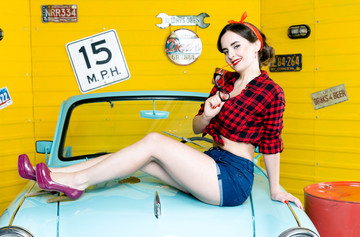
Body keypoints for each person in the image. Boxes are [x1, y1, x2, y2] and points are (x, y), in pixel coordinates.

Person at [18, 11, 303, 209]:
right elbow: (197, 128)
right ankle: (54, 173)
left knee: (154, 141)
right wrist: (208, 115)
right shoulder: (226, 81)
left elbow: (272, 145)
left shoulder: (271, 91)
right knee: (140, 159)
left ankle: (76, 182)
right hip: (211, 162)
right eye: (225, 50)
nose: (230, 55)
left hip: (232, 178)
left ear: (256, 45)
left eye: (236, 46)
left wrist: (276, 189)